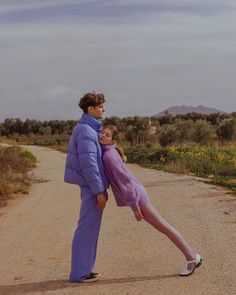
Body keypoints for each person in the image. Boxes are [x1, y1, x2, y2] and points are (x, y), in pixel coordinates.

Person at [99, 125, 203, 276]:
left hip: (137, 197)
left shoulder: (109, 156)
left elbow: (125, 182)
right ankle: (193, 255)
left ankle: (192, 258)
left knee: (164, 227)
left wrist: (135, 207)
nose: (102, 135)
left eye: (107, 135)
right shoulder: (110, 152)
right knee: (163, 227)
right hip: (138, 193)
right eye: (102, 132)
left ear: (113, 140)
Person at [64, 92, 109, 283]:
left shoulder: (88, 129)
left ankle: (84, 270)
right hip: (92, 188)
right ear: (90, 109)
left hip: (92, 187)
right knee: (86, 229)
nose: (104, 109)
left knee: (90, 229)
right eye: (100, 107)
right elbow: (89, 165)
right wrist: (99, 191)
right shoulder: (85, 131)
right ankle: (80, 273)